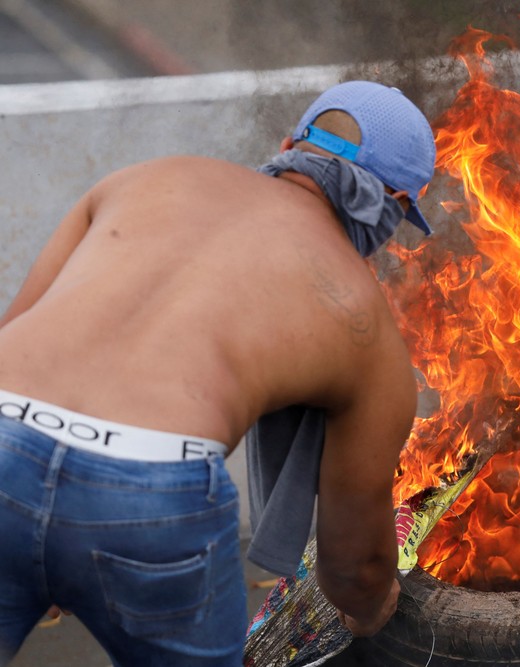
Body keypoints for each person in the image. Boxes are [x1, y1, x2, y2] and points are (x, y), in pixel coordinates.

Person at [0, 80, 436, 666]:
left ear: (289, 146)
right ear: (390, 209)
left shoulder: (143, 178)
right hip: (152, 493)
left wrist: (37, 536)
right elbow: (353, 566)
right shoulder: (366, 323)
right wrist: (372, 605)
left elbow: (15, 329)